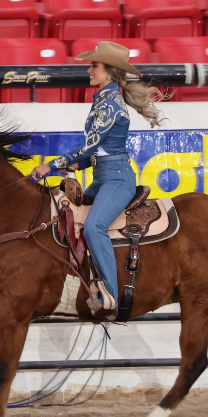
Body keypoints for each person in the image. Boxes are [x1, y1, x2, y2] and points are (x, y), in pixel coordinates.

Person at [31, 41, 167, 315]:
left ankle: (111, 296)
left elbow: (91, 146)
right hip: (105, 176)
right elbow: (97, 154)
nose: (90, 70)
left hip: (117, 180)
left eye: (94, 65)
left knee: (94, 227)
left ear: (109, 71)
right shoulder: (103, 102)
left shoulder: (109, 105)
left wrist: (54, 165)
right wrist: (73, 168)